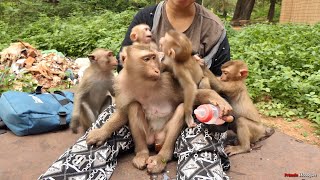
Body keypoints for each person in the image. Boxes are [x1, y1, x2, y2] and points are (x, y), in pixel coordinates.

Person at [39, 1, 233, 179]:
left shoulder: (213, 28)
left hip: (192, 113)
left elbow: (219, 83)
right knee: (96, 140)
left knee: (201, 152)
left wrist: (214, 101)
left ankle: (172, 157)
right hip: (141, 108)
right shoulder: (146, 19)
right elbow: (125, 72)